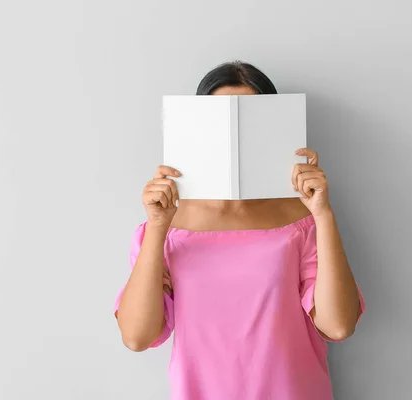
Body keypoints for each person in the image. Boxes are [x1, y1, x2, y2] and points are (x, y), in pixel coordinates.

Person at [114, 61, 366, 400]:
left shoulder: (301, 220)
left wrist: (323, 213)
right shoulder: (167, 227)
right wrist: (159, 227)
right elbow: (136, 336)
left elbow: (338, 325)